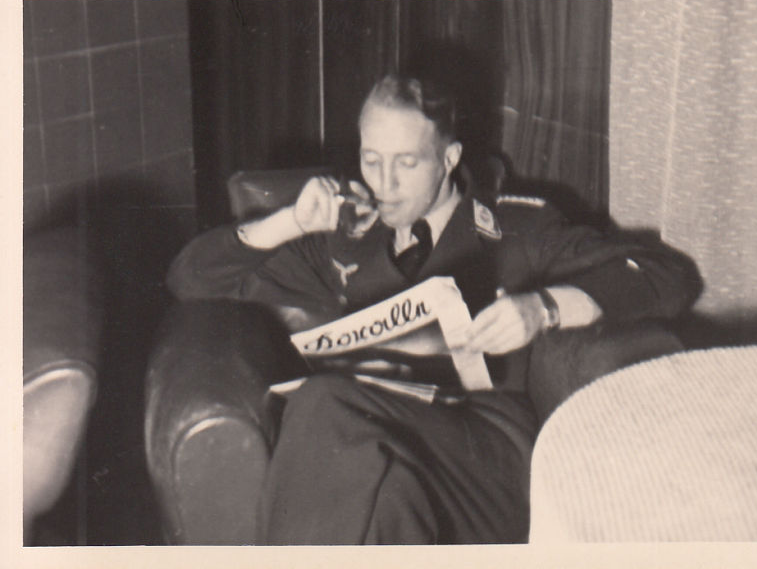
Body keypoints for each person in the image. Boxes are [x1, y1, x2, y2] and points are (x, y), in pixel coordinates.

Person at [167, 74, 701, 544]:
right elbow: (188, 278)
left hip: (486, 454)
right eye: (371, 160)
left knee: (324, 404)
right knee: (380, 496)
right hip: (382, 446)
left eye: (407, 163)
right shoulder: (347, 240)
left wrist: (545, 309)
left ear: (448, 159)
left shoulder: (516, 228)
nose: (384, 183)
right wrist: (290, 222)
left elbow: (668, 275)